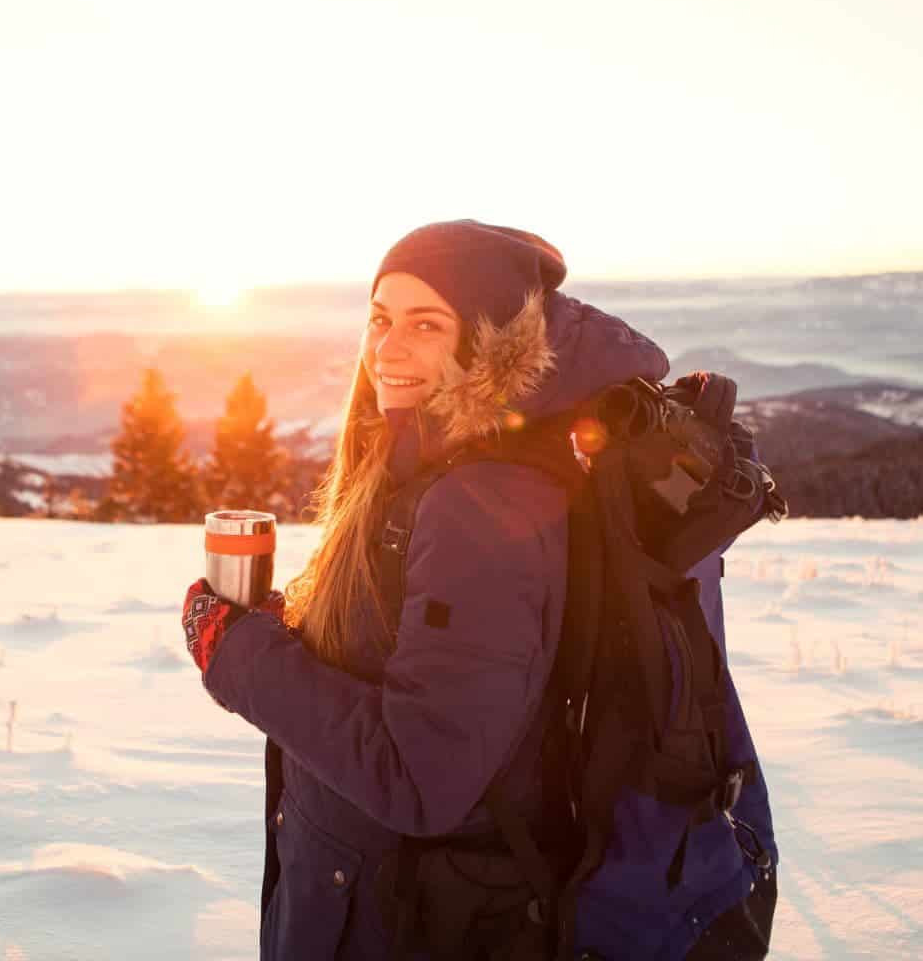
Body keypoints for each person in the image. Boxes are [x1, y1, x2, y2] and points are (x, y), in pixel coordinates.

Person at [181, 220, 771, 959]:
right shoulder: (439, 465)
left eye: (426, 324)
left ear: (494, 346)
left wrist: (237, 656)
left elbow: (420, 776)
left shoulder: (482, 503)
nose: (387, 349)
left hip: (414, 921)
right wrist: (282, 633)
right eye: (380, 319)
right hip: (378, 898)